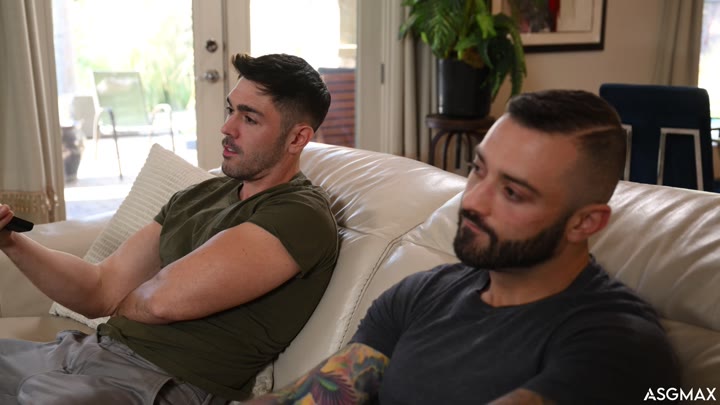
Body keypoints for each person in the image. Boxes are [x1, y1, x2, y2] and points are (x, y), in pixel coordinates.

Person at [249, 90, 681, 404]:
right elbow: (318, 395)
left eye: (512, 192)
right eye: (478, 170)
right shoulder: (422, 294)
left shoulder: (617, 346)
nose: (472, 201)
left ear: (585, 223)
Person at [0, 53, 339, 404]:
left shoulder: (300, 214)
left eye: (249, 118)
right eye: (231, 110)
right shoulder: (199, 196)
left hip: (155, 381)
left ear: (297, 139)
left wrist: (117, 298)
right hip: (84, 351)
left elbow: (162, 302)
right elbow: (99, 288)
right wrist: (9, 240)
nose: (227, 128)